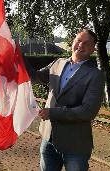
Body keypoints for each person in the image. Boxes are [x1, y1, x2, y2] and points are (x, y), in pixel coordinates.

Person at [26, 29, 105, 171]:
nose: (81, 45)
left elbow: (88, 111)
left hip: (75, 144)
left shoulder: (95, 75)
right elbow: (34, 77)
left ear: (93, 49)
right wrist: (16, 56)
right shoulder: (57, 63)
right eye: (78, 40)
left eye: (86, 43)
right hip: (48, 138)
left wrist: (53, 113)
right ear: (72, 42)